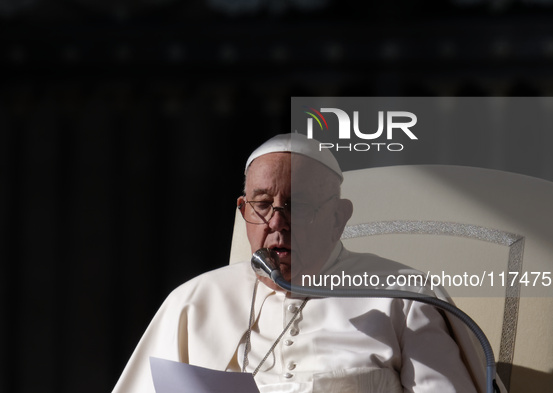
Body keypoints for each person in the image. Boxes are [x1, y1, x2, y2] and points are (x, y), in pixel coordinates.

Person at [112, 133, 497, 393]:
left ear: (337, 218)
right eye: (262, 205)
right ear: (243, 210)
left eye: (298, 205)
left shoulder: (402, 297)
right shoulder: (193, 301)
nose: (277, 222)